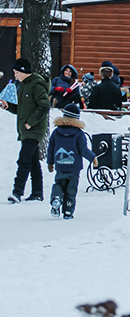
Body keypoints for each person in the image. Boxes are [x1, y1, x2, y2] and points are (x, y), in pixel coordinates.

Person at [1, 58, 49, 203]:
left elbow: (44, 106)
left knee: (24, 159)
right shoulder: (23, 85)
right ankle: (37, 192)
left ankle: (17, 192)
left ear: (23, 71)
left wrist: (30, 122)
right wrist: (8, 107)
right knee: (33, 161)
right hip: (26, 130)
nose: (15, 75)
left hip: (34, 130)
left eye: (16, 72)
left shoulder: (36, 85)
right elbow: (22, 109)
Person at [46, 103, 97, 219]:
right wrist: (93, 158)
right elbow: (83, 150)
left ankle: (56, 198)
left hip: (60, 165)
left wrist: (50, 163)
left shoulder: (56, 132)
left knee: (58, 184)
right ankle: (68, 210)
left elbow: (50, 149)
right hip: (74, 168)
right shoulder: (79, 134)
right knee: (71, 189)